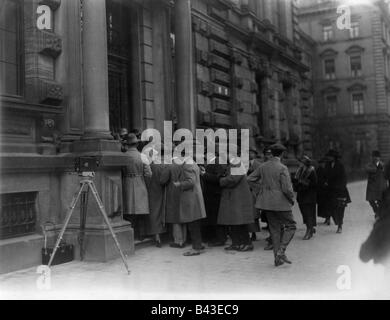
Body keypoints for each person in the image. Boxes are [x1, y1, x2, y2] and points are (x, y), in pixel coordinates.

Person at [248, 143, 296, 266]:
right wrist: (291, 199)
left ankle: (277, 258)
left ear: (271, 153)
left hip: (267, 203)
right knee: (291, 226)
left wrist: (261, 191)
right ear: (282, 154)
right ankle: (281, 251)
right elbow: (286, 189)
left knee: (274, 230)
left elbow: (249, 179)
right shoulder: (282, 168)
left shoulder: (263, 166)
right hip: (281, 202)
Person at [218, 155, 254, 252]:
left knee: (240, 222)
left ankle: (247, 243)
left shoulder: (236, 163)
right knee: (234, 222)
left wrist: (221, 180)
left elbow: (233, 179)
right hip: (234, 196)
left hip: (237, 197)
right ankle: (237, 243)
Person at [173, 156, 207, 256]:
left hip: (190, 198)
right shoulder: (192, 162)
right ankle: (198, 245)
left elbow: (190, 182)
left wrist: (179, 184)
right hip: (195, 196)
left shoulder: (187, 165)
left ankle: (196, 248)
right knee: (195, 223)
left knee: (193, 224)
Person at [122, 133, 152, 239]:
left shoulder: (123, 156)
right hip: (140, 182)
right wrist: (146, 184)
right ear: (136, 144)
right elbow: (148, 174)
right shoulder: (142, 156)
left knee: (129, 209)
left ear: (127, 145)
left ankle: (129, 235)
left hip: (127, 183)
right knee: (140, 210)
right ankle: (140, 235)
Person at [201, 152, 227, 247]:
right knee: (213, 218)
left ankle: (220, 239)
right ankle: (215, 238)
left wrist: (204, 175)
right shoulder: (213, 163)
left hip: (214, 195)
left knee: (216, 218)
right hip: (211, 195)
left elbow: (218, 179)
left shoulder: (217, 164)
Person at [160, 159, 187, 248]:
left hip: (173, 193)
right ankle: (184, 240)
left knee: (175, 218)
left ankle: (178, 241)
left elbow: (162, 180)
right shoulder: (185, 164)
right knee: (183, 217)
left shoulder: (170, 166)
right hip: (184, 192)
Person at [143, 146, 166, 247]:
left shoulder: (145, 166)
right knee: (158, 213)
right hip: (159, 192)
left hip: (148, 192)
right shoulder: (160, 166)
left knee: (152, 214)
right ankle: (158, 235)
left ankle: (155, 235)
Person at [325, 149, 351, 233]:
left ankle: (340, 225)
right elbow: (326, 176)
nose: (328, 158)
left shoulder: (340, 166)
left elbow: (344, 178)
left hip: (340, 191)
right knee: (332, 208)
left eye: (330, 156)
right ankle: (337, 221)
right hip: (331, 191)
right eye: (328, 156)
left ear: (334, 157)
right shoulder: (327, 165)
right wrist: (325, 182)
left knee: (340, 208)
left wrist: (340, 187)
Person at [293, 155, 318, 240]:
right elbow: (295, 182)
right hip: (301, 196)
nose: (299, 164)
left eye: (300, 162)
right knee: (304, 214)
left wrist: (303, 183)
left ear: (305, 163)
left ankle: (309, 230)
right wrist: (296, 186)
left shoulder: (311, 171)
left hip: (309, 197)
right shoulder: (299, 171)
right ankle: (310, 229)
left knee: (309, 214)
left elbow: (314, 184)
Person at [247, 148, 263, 241]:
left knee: (254, 214)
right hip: (245, 191)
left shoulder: (259, 165)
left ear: (255, 154)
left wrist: (256, 189)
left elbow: (261, 179)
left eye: (252, 153)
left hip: (254, 192)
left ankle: (253, 233)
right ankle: (247, 232)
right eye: (248, 153)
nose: (249, 154)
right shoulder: (242, 164)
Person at [365, 150, 386, 219]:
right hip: (372, 186)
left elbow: (386, 172)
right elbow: (367, 169)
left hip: (380, 186)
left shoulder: (382, 165)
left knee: (380, 201)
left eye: (377, 157)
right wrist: (376, 168)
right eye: (374, 157)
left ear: (379, 158)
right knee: (371, 200)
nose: (376, 158)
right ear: (372, 157)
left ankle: (378, 213)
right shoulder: (369, 165)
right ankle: (377, 212)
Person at [316, 156, 331, 225]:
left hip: (326, 191)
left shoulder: (327, 169)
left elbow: (329, 178)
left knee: (327, 205)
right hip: (320, 190)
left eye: (323, 163)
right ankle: (326, 218)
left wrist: (327, 182)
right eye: (321, 163)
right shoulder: (318, 170)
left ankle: (328, 219)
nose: (322, 164)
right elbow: (317, 179)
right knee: (322, 205)